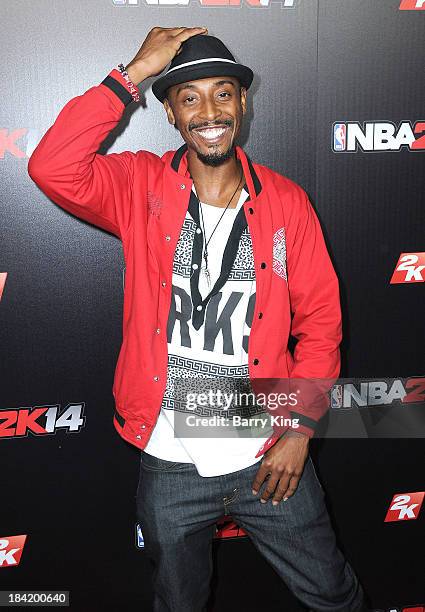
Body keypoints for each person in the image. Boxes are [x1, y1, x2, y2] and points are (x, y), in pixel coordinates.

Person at [28, 26, 370, 612]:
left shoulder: (286, 203)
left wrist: (300, 429)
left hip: (268, 451)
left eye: (222, 94)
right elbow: (52, 166)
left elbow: (320, 324)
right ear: (168, 112)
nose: (208, 111)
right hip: (171, 461)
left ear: (243, 103)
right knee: (178, 603)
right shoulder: (139, 184)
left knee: (332, 595)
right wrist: (130, 75)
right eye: (189, 97)